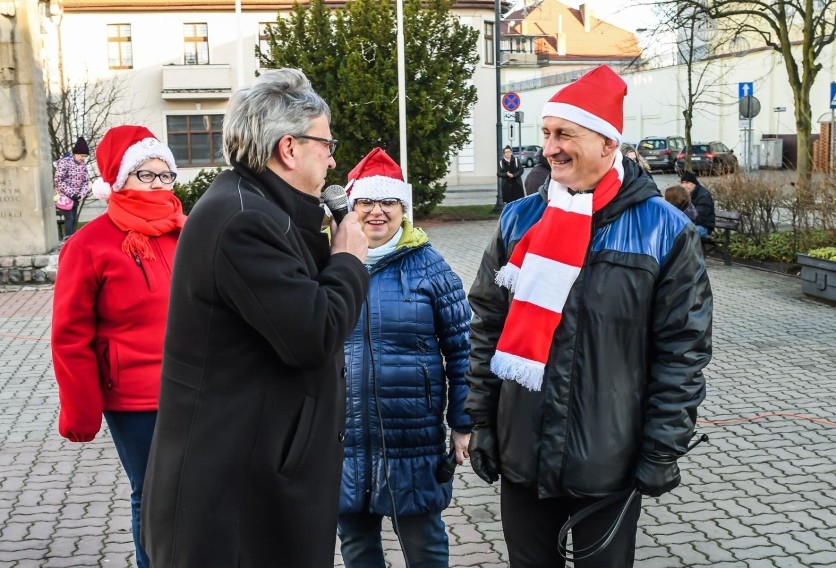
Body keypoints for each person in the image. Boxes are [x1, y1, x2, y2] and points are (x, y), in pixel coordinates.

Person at [464, 65, 712, 568]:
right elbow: (488, 325)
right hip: (523, 451)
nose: (549, 148)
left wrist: (663, 447)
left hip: (609, 459)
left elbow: (682, 351)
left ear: (606, 143)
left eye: (565, 134)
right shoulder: (520, 220)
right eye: (546, 134)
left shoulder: (665, 231)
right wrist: (482, 421)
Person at [141, 68, 370, 567]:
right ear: (289, 148)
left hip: (254, 476)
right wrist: (349, 259)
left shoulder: (263, 207)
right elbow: (314, 334)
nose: (334, 157)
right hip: (235, 498)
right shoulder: (244, 219)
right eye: (326, 144)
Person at [51, 125, 186, 568]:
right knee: (151, 492)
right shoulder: (88, 244)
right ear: (119, 179)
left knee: (197, 490)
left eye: (165, 175)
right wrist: (80, 407)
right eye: (145, 175)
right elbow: (70, 335)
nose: (159, 184)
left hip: (196, 387)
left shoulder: (186, 232)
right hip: (136, 398)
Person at [336, 148, 473, 567]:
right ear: (351, 207)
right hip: (343, 435)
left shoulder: (430, 267)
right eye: (365, 202)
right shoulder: (329, 264)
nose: (377, 212)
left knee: (424, 541)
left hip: (411, 434)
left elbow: (463, 349)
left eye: (388, 202)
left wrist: (464, 422)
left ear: (402, 208)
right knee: (356, 542)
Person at [53, 136, 90, 239]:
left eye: (85, 156)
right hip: (65, 197)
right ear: (76, 153)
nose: (83, 158)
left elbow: (86, 181)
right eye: (82, 155)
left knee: (73, 219)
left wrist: (81, 194)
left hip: (76, 197)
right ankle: (68, 239)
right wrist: (71, 193)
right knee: (69, 219)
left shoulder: (83, 165)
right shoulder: (65, 162)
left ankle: (73, 239)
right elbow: (58, 180)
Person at [680, 171, 716, 238]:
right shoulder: (684, 194)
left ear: (694, 183)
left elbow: (699, 218)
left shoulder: (703, 196)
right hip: (689, 224)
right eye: (683, 183)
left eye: (687, 183)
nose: (684, 186)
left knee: (683, 234)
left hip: (703, 227)